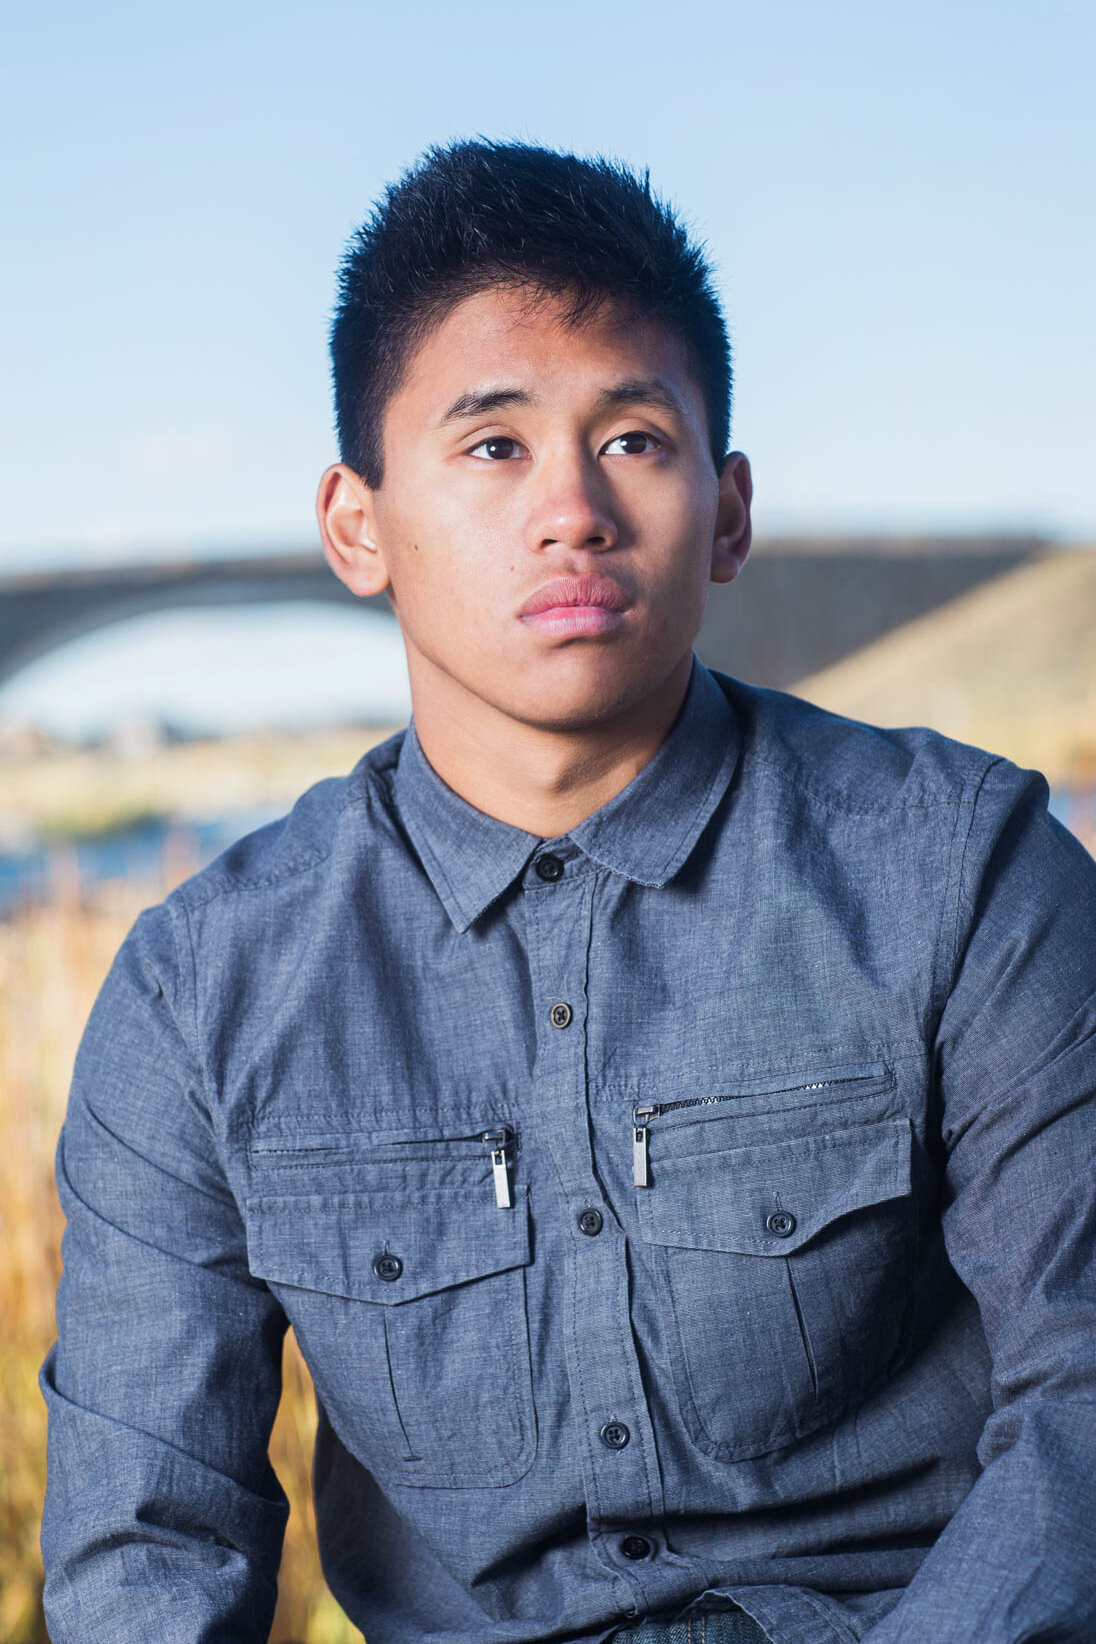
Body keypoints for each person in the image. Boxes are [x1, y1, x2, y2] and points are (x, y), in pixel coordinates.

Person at [40, 139, 1096, 1644]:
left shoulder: (964, 872)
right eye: (493, 447)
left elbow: (1083, 1412)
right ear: (358, 524)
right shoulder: (203, 991)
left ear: (726, 512)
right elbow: (150, 1543)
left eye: (635, 440)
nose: (573, 513)